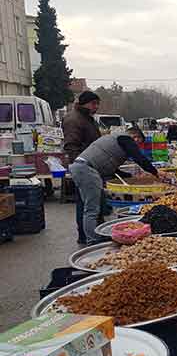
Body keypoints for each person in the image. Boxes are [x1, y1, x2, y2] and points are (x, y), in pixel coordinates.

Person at [69, 127, 161, 245]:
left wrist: (129, 176)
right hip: (87, 170)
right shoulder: (125, 138)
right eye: (137, 143)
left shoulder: (113, 139)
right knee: (92, 209)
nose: (136, 145)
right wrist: (156, 172)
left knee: (85, 206)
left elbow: (112, 170)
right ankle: (93, 241)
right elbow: (139, 158)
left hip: (80, 167)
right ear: (135, 137)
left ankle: (85, 236)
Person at [62, 90, 102, 245]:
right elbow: (71, 146)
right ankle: (87, 237)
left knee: (88, 202)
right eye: (93, 103)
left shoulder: (86, 118)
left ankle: (91, 233)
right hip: (83, 165)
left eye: (97, 103)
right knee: (88, 205)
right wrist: (80, 165)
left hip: (89, 164)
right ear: (84, 103)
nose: (96, 106)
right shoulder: (74, 119)